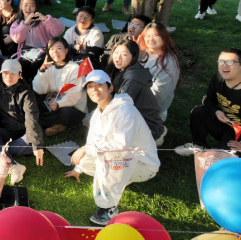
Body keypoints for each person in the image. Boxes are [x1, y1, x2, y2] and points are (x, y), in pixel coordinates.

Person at [64, 70, 160, 225]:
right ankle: (123, 178)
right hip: (124, 158)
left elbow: (120, 146)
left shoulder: (125, 111)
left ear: (110, 88)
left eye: (99, 85)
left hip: (143, 165)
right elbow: (93, 141)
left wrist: (86, 149)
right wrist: (79, 168)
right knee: (90, 157)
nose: (94, 90)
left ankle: (108, 208)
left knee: (104, 160)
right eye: (90, 86)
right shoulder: (98, 112)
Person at [175, 48, 241, 158]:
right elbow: (208, 99)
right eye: (221, 62)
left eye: (230, 62)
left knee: (214, 160)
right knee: (199, 112)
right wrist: (216, 111)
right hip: (223, 123)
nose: (224, 65)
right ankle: (198, 145)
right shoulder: (218, 78)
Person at [0, 59, 44, 183]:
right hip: (7, 132)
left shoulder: (27, 94)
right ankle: (13, 165)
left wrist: (37, 145)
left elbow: (31, 119)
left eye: (13, 73)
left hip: (24, 134)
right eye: (5, 73)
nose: (8, 77)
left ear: (20, 75)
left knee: (30, 142)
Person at [106, 40, 167, 144]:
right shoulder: (122, 70)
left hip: (148, 127)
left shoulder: (132, 80)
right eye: (116, 52)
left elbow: (120, 107)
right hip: (136, 118)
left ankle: (154, 139)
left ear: (133, 57)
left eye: (124, 54)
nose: (118, 57)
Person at [32, 37, 87, 137]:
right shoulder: (49, 67)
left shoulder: (74, 68)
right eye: (52, 49)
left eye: (59, 48)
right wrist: (42, 71)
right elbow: (40, 90)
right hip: (50, 104)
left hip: (70, 107)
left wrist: (59, 104)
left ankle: (38, 120)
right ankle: (56, 124)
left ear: (66, 50)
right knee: (32, 96)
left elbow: (74, 94)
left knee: (65, 113)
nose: (55, 52)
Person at [10, 0, 65, 81]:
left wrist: (46, 19)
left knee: (35, 68)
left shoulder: (43, 22)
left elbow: (59, 30)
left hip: (43, 52)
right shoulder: (17, 23)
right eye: (25, 5)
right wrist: (25, 24)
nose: (28, 8)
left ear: (36, 8)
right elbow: (17, 39)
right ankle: (25, 85)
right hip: (25, 53)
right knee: (21, 67)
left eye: (32, 5)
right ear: (21, 7)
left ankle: (36, 84)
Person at [139, 23, 180, 121]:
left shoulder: (169, 64)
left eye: (156, 35)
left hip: (149, 108)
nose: (151, 39)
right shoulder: (142, 52)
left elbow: (158, 94)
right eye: (148, 36)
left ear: (164, 37)